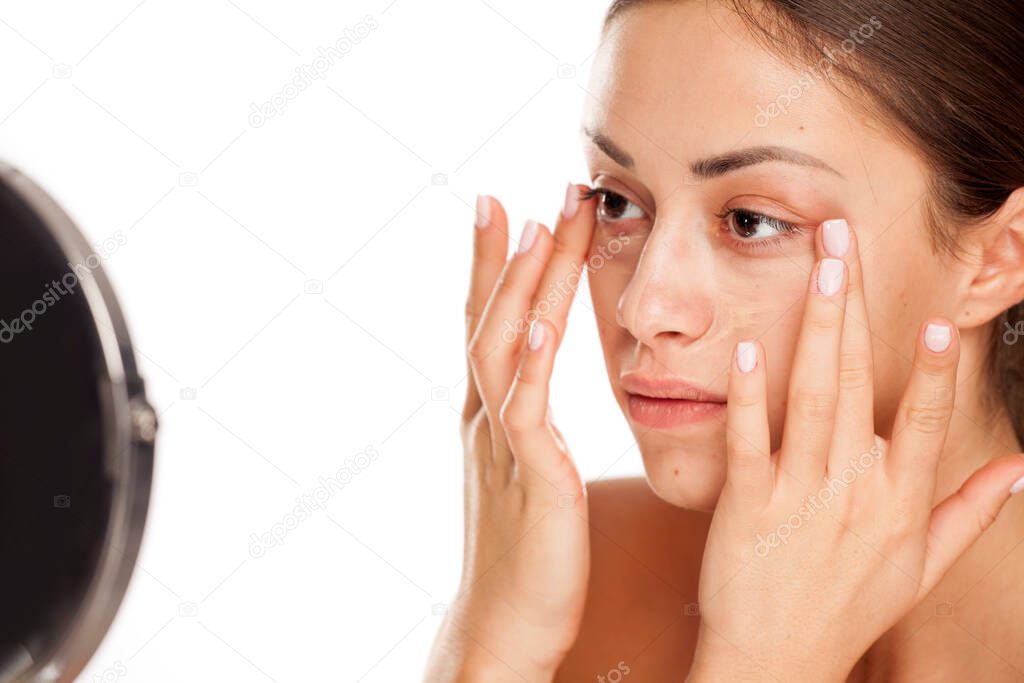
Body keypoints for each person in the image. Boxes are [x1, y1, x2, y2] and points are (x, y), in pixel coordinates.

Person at [426, 0, 1024, 679]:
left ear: (1000, 257)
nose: (643, 306)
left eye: (751, 221)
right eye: (617, 202)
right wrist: (490, 644)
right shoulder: (570, 574)